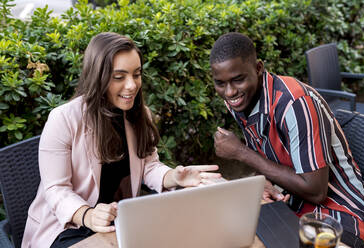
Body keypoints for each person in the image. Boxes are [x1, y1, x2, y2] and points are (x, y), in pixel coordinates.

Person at [22, 32, 221, 248]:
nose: (132, 85)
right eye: (119, 77)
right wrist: (88, 215)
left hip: (119, 223)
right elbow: (56, 189)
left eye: (136, 74)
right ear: (98, 77)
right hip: (67, 227)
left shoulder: (139, 114)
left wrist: (174, 177)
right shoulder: (64, 119)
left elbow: (148, 166)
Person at [210, 32, 364, 247]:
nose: (230, 92)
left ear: (259, 69)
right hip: (291, 205)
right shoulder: (239, 99)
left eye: (238, 80)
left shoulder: (295, 104)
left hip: (342, 216)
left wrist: (241, 153)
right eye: (220, 83)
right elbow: (266, 149)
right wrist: (265, 182)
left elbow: (316, 192)